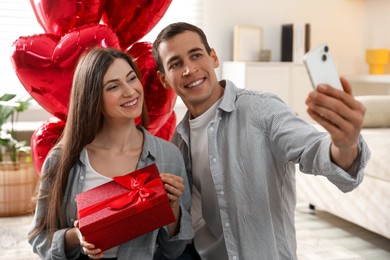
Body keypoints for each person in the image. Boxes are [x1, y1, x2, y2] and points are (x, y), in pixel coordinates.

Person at [151, 22, 370, 260]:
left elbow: (314, 149)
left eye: (196, 55)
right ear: (164, 79)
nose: (189, 69)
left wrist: (345, 144)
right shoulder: (179, 141)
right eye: (176, 63)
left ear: (213, 57)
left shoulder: (261, 109)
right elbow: (183, 223)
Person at [28, 47, 193, 260]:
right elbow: (39, 239)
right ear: (92, 97)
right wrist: (76, 236)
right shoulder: (62, 159)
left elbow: (175, 250)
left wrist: (172, 206)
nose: (130, 91)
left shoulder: (169, 156)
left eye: (131, 78)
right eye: (113, 86)